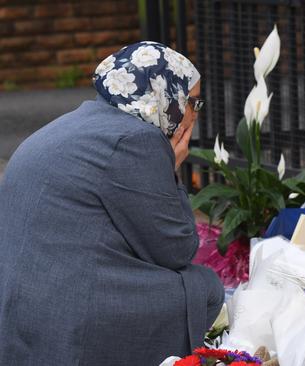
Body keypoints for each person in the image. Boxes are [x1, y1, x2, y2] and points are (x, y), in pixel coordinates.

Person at [0, 42, 224, 365]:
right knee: (205, 288)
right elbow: (176, 248)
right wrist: (170, 169)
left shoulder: (79, 120)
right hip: (71, 322)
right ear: (167, 95)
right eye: (193, 102)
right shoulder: (136, 140)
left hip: (21, 312)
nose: (195, 113)